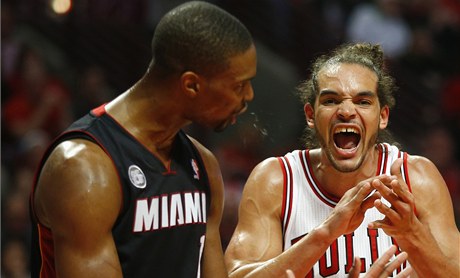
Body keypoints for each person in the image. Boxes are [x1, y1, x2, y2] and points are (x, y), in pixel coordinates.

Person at [30, 1, 256, 277]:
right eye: (239, 85)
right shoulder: (85, 166)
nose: (248, 97)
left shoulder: (204, 165)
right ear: (191, 84)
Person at [224, 43, 459, 277]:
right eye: (331, 100)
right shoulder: (276, 180)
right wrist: (325, 233)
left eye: (363, 101)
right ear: (310, 115)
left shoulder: (417, 178)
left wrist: (414, 235)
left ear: (383, 116)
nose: (346, 111)